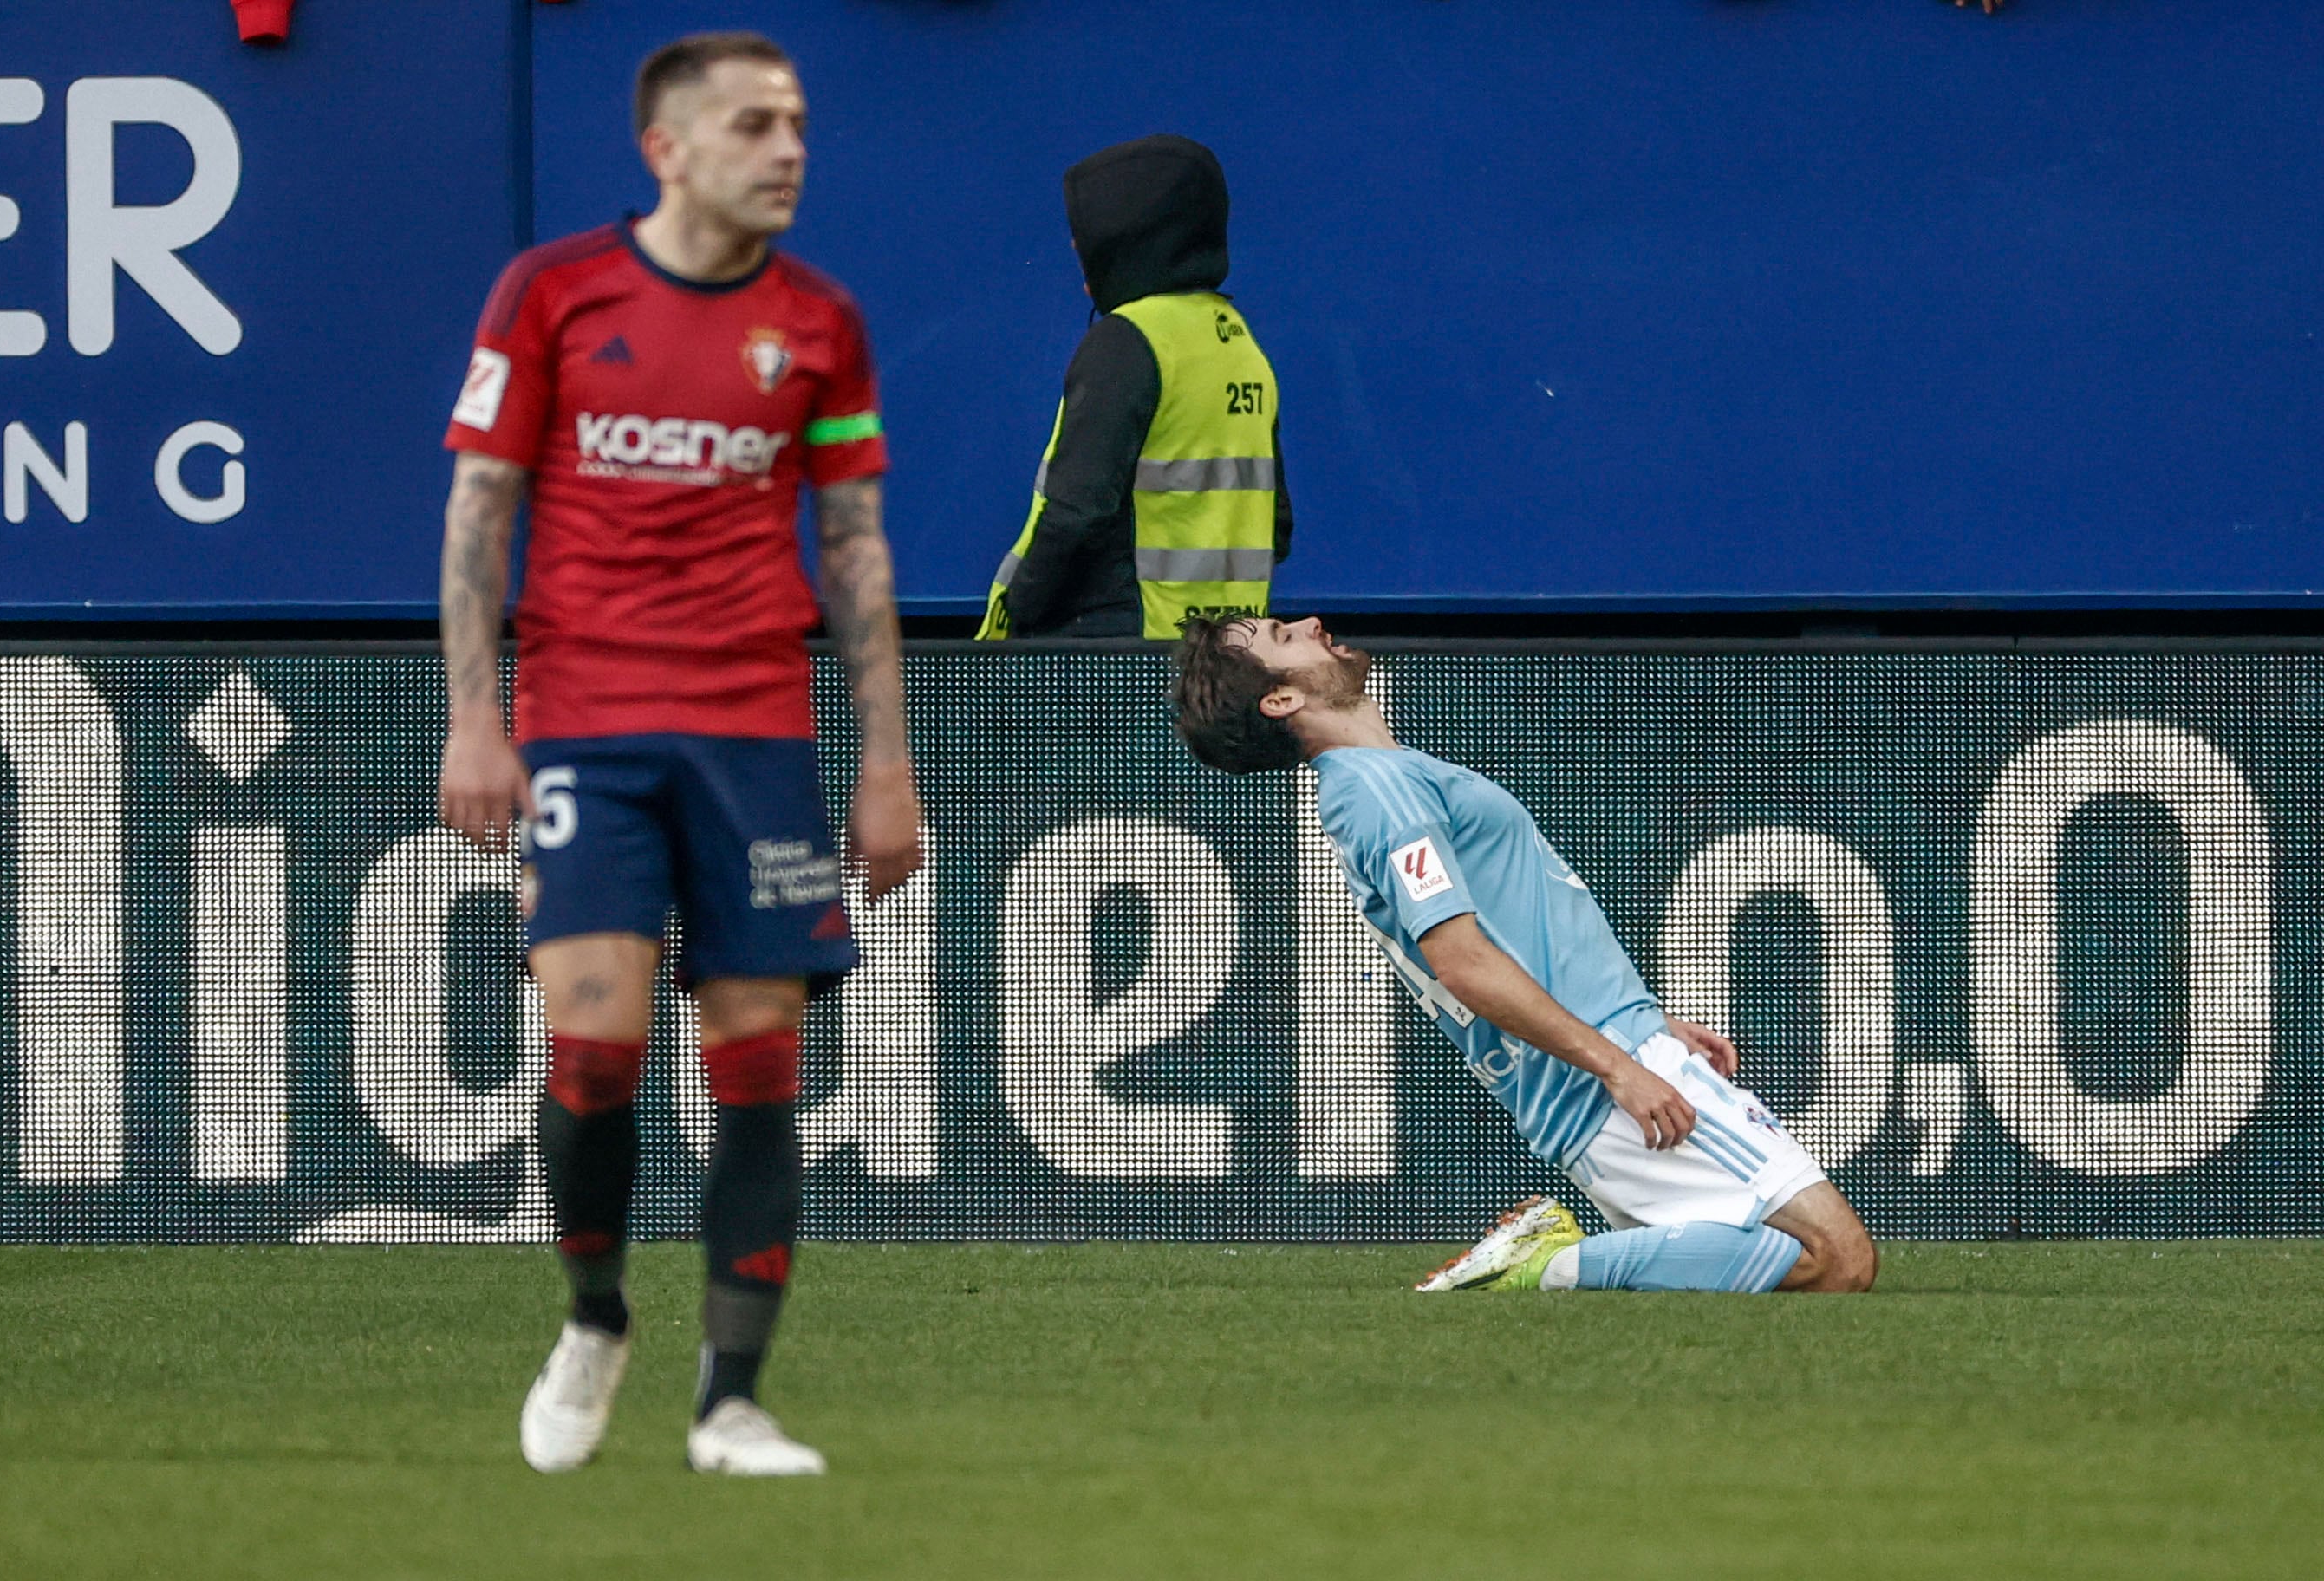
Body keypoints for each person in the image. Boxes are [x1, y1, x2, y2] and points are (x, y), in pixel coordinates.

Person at [436, 30, 922, 1476]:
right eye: (757, 124)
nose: (789, 150)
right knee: (594, 1047)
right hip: (588, 714)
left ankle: (731, 1401)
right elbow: (480, 508)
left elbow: (853, 545)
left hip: (756, 723)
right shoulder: (553, 293)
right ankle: (595, 1315)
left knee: (757, 1054)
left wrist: (885, 759)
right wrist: (476, 715)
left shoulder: (822, 320)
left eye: (801, 123)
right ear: (668, 148)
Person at [1170, 614, 1878, 1295]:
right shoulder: (1376, 790)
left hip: (1605, 1064)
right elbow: (1464, 964)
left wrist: (1648, 1023)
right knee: (1836, 1259)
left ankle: (1560, 1264)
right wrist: (1619, 1062)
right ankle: (1548, 1262)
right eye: (1282, 637)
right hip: (1601, 1079)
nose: (1312, 624)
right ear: (1281, 697)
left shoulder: (1382, 780)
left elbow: (1527, 927)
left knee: (1747, 1279)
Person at [974, 134, 1292, 640]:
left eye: (1090, 246)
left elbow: (1077, 511)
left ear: (1129, 239)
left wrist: (1022, 608)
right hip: (1224, 658)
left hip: (1119, 651)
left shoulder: (1129, 341)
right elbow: (1278, 525)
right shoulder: (1238, 342)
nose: (1081, 264)